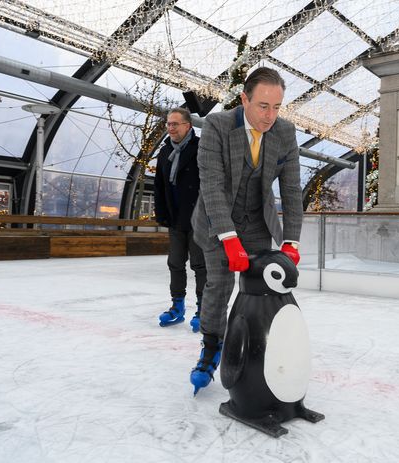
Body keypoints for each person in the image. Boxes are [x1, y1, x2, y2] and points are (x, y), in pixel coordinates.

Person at [189, 67, 303, 394]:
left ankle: (255, 348)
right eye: (263, 106)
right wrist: (228, 238)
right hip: (216, 221)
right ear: (244, 99)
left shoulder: (284, 133)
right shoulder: (217, 126)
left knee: (261, 288)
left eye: (277, 107)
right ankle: (212, 346)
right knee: (221, 283)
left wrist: (291, 240)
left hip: (257, 222)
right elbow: (211, 185)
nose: (270, 116)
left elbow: (292, 190)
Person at [154, 108, 206, 332]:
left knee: (200, 265)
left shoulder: (201, 148)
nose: (171, 128)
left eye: (175, 124)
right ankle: (177, 306)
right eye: (168, 124)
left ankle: (204, 309)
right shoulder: (165, 152)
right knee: (175, 263)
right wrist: (162, 212)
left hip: (197, 218)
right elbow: (159, 185)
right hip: (175, 218)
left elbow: (210, 183)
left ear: (188, 126)